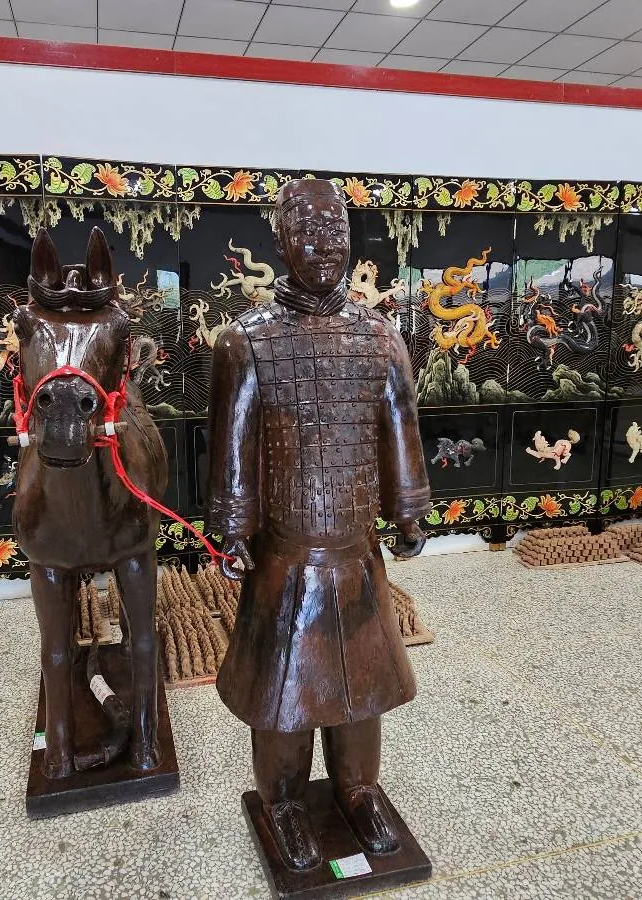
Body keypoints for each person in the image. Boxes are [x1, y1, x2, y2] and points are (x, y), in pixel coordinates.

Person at [206, 178, 431, 871]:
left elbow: (399, 428)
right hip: (285, 557)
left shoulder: (379, 335)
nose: (325, 246)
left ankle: (360, 792)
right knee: (285, 698)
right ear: (280, 242)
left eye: (336, 232)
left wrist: (410, 506)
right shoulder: (246, 341)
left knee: (361, 690)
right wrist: (232, 528)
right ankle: (282, 800)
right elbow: (233, 448)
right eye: (308, 232)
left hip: (357, 555)